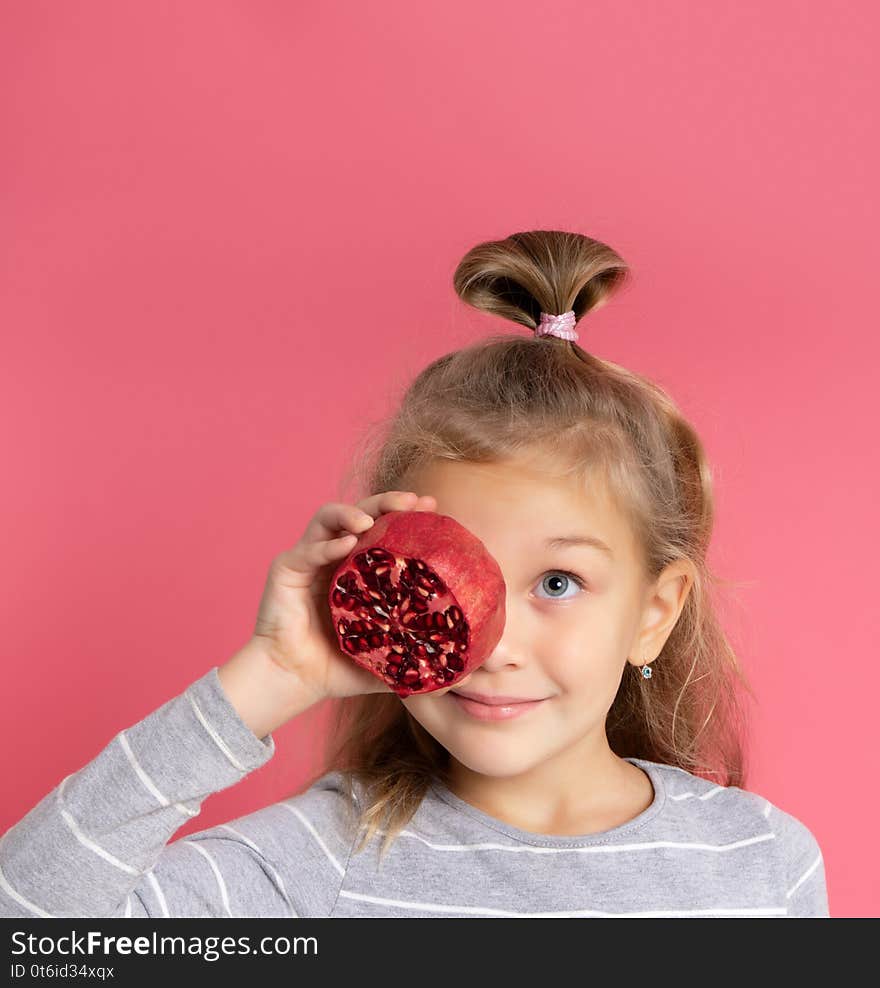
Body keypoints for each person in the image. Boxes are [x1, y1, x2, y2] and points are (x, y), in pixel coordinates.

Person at [0, 229, 829, 919]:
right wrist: (267, 680)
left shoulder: (761, 866)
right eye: (446, 575)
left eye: (558, 583)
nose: (493, 645)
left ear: (654, 611)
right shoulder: (319, 867)